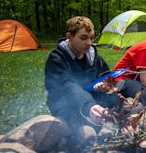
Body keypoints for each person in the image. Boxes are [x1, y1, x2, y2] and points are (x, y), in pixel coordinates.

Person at [45, 16, 120, 149]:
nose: (89, 43)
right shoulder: (57, 58)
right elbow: (66, 85)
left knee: (117, 97)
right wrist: (89, 105)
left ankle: (105, 128)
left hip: (91, 99)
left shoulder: (93, 56)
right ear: (69, 36)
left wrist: (105, 85)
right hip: (67, 103)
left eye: (92, 38)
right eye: (84, 38)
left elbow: (106, 75)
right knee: (77, 127)